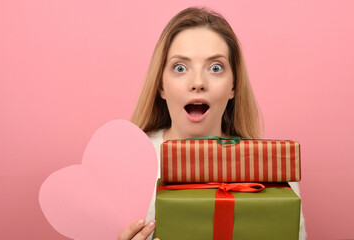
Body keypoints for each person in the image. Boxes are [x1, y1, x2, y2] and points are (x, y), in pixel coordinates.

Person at [117, 6, 307, 240]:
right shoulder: (125, 164)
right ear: (161, 85)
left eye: (215, 68)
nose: (198, 82)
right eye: (180, 68)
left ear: (233, 86)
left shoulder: (271, 170)